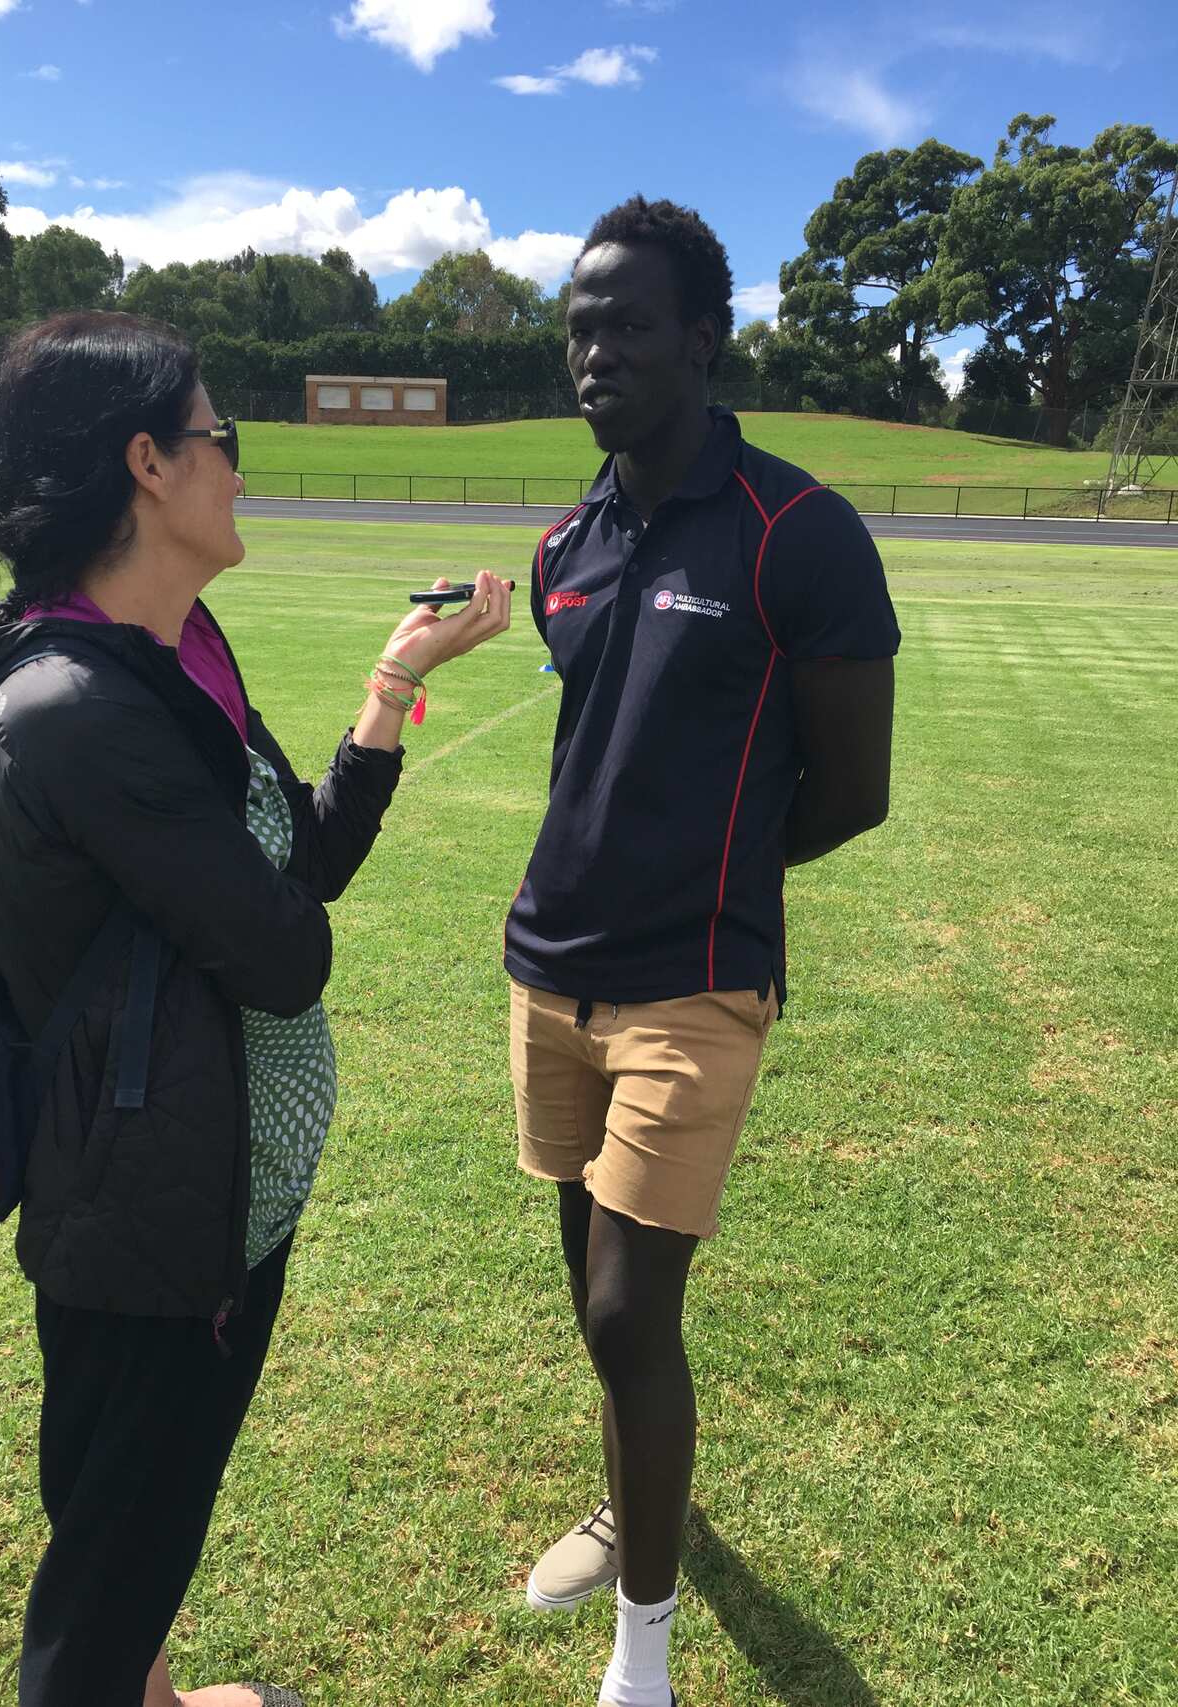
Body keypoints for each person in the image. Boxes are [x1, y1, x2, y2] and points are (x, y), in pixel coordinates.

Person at [0, 311, 511, 1707]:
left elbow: (298, 861)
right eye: (217, 436)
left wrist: (391, 685)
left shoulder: (178, 650)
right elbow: (286, 953)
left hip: (207, 1193)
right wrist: (279, 902)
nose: (239, 461)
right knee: (108, 1572)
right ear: (147, 467)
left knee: (129, 1529)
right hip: (150, 1223)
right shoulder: (72, 708)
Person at [505, 197, 900, 1707]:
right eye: (578, 327)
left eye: (627, 325)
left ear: (706, 340)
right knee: (584, 1278)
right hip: (551, 969)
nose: (594, 352)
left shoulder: (798, 533)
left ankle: (645, 1653)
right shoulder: (566, 541)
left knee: (626, 1306)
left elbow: (851, 793)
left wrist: (712, 879)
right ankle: (632, 1499)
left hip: (698, 980)